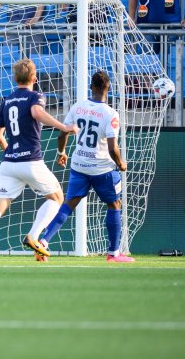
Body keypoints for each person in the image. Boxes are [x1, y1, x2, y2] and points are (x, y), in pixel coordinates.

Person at [0, 59, 76, 265]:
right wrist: (63, 127)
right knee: (56, 198)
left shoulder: (7, 100)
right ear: (34, 79)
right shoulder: (35, 95)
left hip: (9, 163)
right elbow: (37, 112)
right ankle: (34, 236)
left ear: (14, 78)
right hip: (31, 162)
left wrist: (10, 150)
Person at [38, 71, 134, 263]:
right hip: (102, 169)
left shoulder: (78, 107)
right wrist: (121, 163)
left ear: (91, 87)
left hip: (79, 165)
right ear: (108, 89)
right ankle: (113, 254)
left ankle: (43, 241)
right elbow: (112, 147)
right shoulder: (111, 114)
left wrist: (61, 153)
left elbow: (62, 134)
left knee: (68, 204)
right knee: (114, 204)